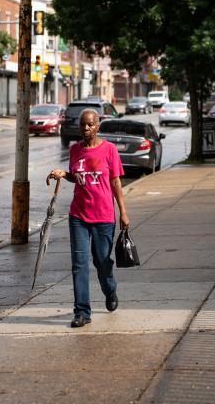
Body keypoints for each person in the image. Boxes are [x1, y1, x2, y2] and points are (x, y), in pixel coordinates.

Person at [49, 109, 130, 328]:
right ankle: (82, 312)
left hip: (103, 216)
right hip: (78, 216)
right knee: (79, 264)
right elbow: (77, 177)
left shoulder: (109, 150)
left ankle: (110, 288)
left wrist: (122, 211)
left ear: (98, 126)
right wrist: (63, 174)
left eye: (90, 125)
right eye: (83, 125)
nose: (86, 128)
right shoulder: (75, 150)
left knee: (102, 262)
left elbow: (115, 183)